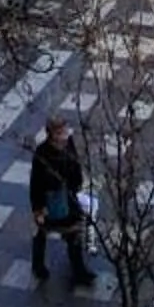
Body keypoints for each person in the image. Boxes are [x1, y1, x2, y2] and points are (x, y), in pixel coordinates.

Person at [27, 116, 97, 288]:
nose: (64, 135)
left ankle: (78, 270)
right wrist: (38, 208)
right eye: (59, 132)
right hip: (50, 200)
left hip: (68, 197)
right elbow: (36, 183)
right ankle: (38, 265)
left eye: (65, 131)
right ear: (51, 134)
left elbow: (76, 167)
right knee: (41, 231)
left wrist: (76, 184)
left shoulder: (69, 145)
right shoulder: (42, 154)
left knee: (74, 233)